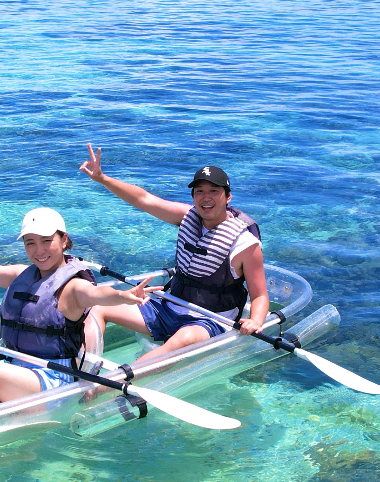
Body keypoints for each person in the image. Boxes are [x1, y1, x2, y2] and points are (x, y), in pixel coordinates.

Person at [0, 208, 151, 415]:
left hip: (54, 379)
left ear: (64, 240)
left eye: (46, 240)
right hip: (15, 362)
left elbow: (94, 294)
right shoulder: (22, 274)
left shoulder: (72, 288)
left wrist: (123, 296)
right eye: (30, 242)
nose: (39, 250)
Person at [79, 145, 269, 363]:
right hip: (170, 306)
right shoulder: (187, 216)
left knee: (184, 338)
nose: (206, 197)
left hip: (210, 321)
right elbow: (144, 199)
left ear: (228, 197)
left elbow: (260, 295)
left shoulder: (245, 243)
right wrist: (103, 179)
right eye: (200, 191)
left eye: (213, 191)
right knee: (98, 306)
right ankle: (84, 370)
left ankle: (114, 385)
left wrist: (255, 320)